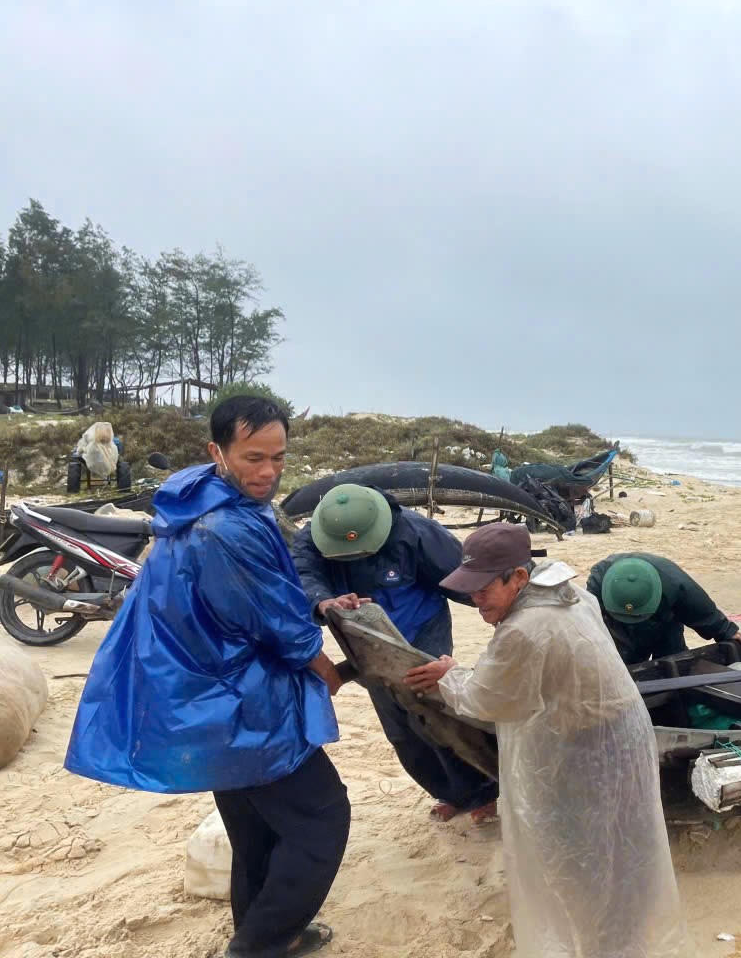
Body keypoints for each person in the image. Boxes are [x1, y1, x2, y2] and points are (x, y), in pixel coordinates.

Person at [64, 395, 349, 958]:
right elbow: (271, 618)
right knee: (322, 818)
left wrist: (314, 606)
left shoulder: (196, 498)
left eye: (278, 458)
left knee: (254, 828)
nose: (267, 472)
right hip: (234, 696)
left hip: (198, 688)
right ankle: (256, 946)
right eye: (253, 458)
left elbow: (264, 594)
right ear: (217, 451)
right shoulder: (225, 528)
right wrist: (323, 664)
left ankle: (271, 933)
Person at [403, 525, 685, 958]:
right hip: (624, 734)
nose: (474, 599)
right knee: (620, 847)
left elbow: (485, 698)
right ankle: (620, 939)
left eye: (483, 588)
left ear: (518, 577)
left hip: (588, 742)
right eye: (469, 588)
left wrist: (450, 675)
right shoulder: (573, 596)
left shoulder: (525, 629)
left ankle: (607, 945)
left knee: (585, 855)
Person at [291, 482, 498, 822]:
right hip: (364, 637)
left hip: (422, 630)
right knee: (400, 730)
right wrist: (324, 601)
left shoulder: (417, 532)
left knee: (433, 717)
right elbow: (303, 577)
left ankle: (483, 793)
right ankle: (453, 794)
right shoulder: (310, 538)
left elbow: (465, 577)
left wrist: (500, 612)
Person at [585, 552, 741, 664]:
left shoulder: (673, 582)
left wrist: (725, 629)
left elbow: (698, 607)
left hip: (663, 620)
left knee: (674, 658)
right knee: (623, 663)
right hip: (617, 624)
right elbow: (589, 623)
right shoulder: (598, 582)